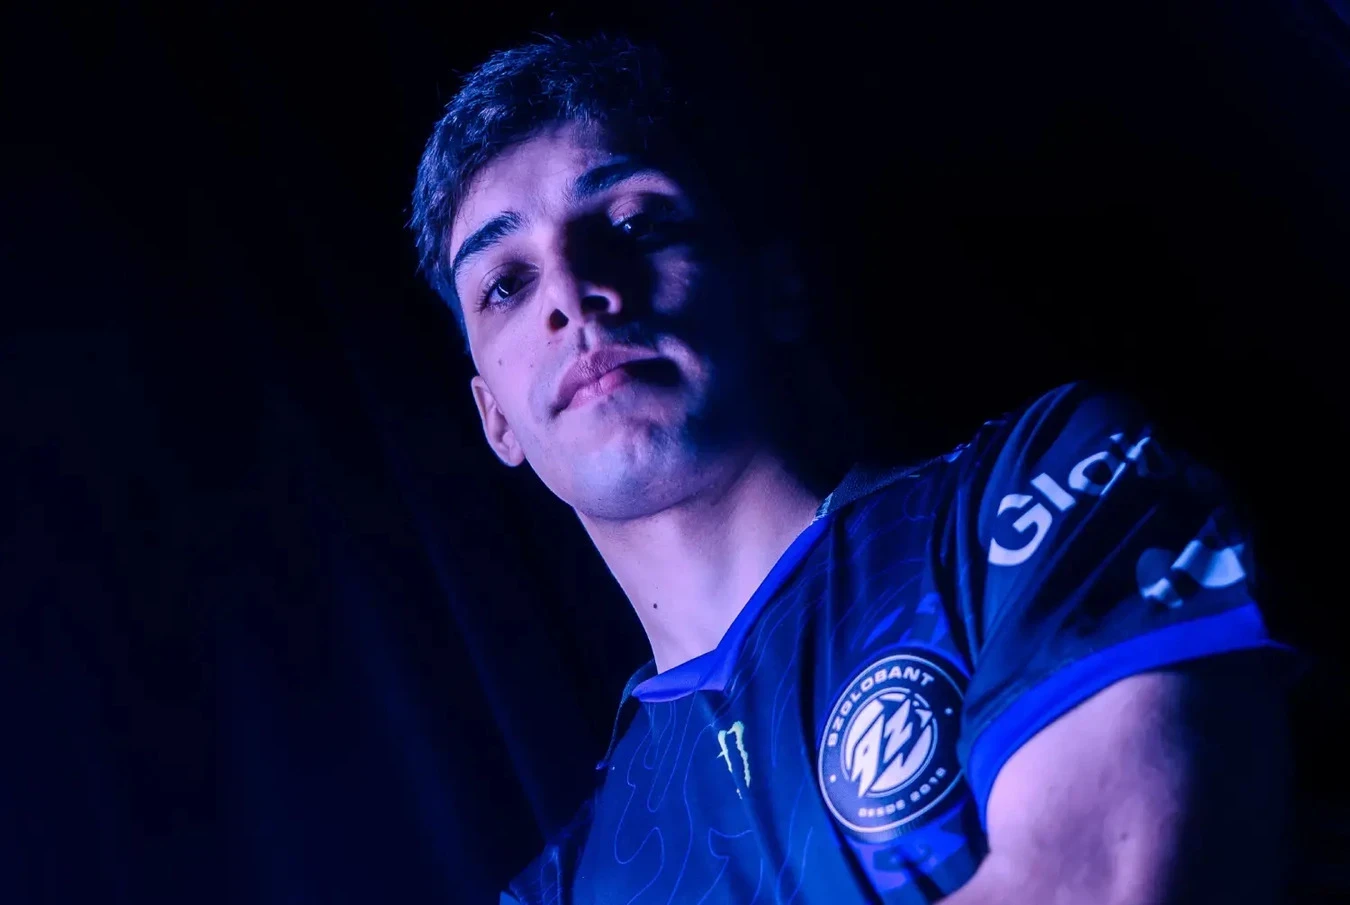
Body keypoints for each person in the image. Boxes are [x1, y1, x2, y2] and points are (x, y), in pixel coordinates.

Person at [411, 34, 1295, 905]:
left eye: (633, 223)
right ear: (495, 418)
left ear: (774, 288)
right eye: (506, 283)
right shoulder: (563, 888)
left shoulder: (1037, 492)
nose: (570, 292)